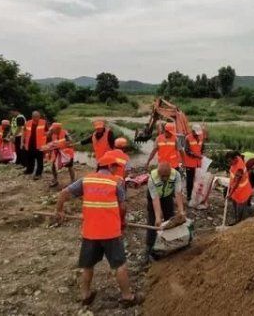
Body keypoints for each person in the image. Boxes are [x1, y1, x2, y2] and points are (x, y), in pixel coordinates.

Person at [55, 151, 142, 308]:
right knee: (119, 265)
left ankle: (86, 295)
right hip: (110, 232)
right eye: (114, 166)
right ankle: (127, 297)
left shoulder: (86, 180)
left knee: (88, 265)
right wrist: (122, 222)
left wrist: (59, 210)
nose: (116, 169)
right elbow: (123, 207)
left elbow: (64, 193)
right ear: (108, 166)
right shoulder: (116, 182)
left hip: (90, 232)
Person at [145, 162, 185, 259]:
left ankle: (170, 242)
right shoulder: (152, 178)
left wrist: (181, 210)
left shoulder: (176, 175)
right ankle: (150, 248)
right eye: (161, 176)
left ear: (169, 173)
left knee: (170, 219)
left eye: (165, 176)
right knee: (153, 221)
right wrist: (158, 217)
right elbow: (155, 199)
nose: (163, 178)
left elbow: (178, 193)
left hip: (167, 195)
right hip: (154, 197)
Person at [226, 151, 254, 224]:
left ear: (235, 159)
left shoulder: (239, 169)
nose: (229, 163)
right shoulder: (238, 158)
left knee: (240, 208)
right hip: (236, 190)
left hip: (243, 190)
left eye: (230, 161)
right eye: (228, 161)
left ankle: (239, 223)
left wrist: (230, 193)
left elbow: (237, 183)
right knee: (235, 204)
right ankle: (236, 220)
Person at [46, 122, 76, 188]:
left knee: (70, 166)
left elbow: (70, 141)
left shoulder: (65, 133)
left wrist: (60, 143)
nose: (52, 130)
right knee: (53, 165)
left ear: (57, 129)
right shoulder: (52, 133)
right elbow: (48, 138)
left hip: (67, 153)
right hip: (57, 152)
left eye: (53, 129)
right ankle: (55, 180)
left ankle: (73, 181)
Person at [22, 111, 48, 179]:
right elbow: (24, 133)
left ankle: (38, 174)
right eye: (35, 117)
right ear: (32, 117)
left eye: (38, 116)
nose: (37, 118)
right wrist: (22, 142)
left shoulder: (43, 122)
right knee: (30, 158)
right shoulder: (27, 123)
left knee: (40, 160)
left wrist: (47, 144)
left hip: (40, 145)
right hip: (29, 144)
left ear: (39, 116)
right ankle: (29, 170)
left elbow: (47, 132)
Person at [184, 124, 205, 202]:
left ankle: (196, 195)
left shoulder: (201, 137)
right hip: (190, 163)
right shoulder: (188, 138)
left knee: (198, 180)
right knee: (190, 180)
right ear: (192, 131)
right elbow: (187, 151)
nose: (197, 135)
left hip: (198, 163)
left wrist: (202, 154)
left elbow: (202, 147)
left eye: (198, 133)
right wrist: (196, 155)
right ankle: (189, 196)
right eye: (195, 133)